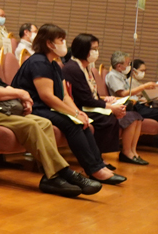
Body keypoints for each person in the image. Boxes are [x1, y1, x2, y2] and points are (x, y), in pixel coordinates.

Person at [0, 17, 98, 197]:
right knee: (30, 125)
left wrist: (21, 97)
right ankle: (62, 173)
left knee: (44, 123)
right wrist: (19, 93)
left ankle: (51, 176)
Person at [11, 24, 125, 185]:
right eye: (61, 40)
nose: (64, 43)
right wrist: (74, 114)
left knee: (82, 122)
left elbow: (64, 95)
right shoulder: (38, 62)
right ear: (49, 43)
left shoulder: (54, 65)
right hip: (32, 107)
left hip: (44, 107)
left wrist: (77, 112)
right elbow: (47, 97)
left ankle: (98, 165)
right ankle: (94, 169)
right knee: (72, 123)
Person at [63, 34, 143, 164]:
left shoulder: (86, 67)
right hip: (78, 107)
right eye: (93, 49)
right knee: (107, 119)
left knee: (126, 115)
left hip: (87, 104)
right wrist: (110, 107)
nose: (96, 52)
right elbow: (84, 99)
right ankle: (96, 158)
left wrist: (104, 100)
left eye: (97, 49)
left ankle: (98, 157)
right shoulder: (73, 68)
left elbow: (91, 93)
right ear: (83, 50)